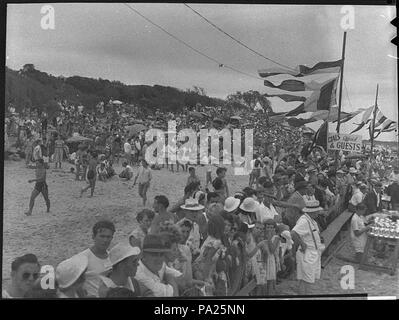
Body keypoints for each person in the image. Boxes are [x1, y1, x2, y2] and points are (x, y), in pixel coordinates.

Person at [291, 200, 325, 295]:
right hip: (307, 253)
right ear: (312, 212)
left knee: (306, 280)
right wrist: (302, 243)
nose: (318, 213)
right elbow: (293, 233)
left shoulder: (311, 220)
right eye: (317, 211)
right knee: (306, 280)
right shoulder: (304, 221)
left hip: (313, 253)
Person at [75, 220, 115, 297]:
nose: (105, 240)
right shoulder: (83, 259)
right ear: (93, 236)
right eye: (102, 236)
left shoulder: (113, 257)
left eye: (108, 237)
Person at [259, 219, 280, 295]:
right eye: (268, 227)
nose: (269, 229)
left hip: (271, 260)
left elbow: (272, 250)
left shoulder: (276, 237)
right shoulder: (262, 235)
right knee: (263, 281)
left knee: (270, 280)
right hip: (263, 259)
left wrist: (268, 238)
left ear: (274, 228)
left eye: (271, 227)